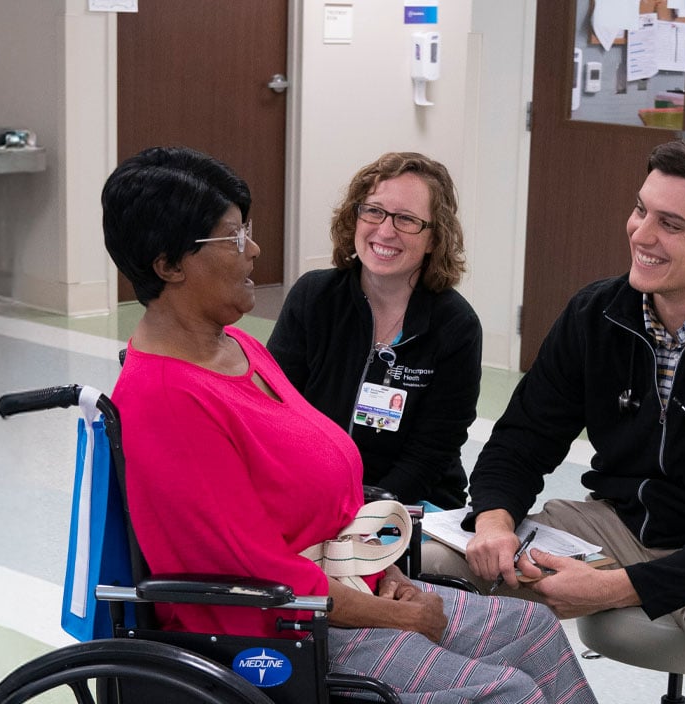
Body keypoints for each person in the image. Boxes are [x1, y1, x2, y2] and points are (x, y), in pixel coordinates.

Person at [102, 146, 597, 704]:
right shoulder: (168, 398)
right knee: (506, 694)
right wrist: (394, 614)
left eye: (248, 231)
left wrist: (383, 572)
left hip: (352, 566)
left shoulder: (236, 344)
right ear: (169, 265)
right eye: (235, 238)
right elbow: (261, 575)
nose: (255, 250)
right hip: (287, 627)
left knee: (533, 631)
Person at [426, 138, 685, 704]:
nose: (641, 234)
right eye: (641, 210)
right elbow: (521, 440)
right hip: (618, 525)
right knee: (433, 558)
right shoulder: (597, 313)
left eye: (671, 223)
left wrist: (615, 589)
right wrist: (493, 521)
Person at [267, 152, 481, 508]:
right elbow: (277, 411)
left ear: (434, 238)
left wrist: (368, 514)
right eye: (374, 211)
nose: (385, 230)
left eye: (407, 219)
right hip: (313, 493)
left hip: (412, 503)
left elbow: (431, 453)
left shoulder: (455, 325)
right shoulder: (314, 297)